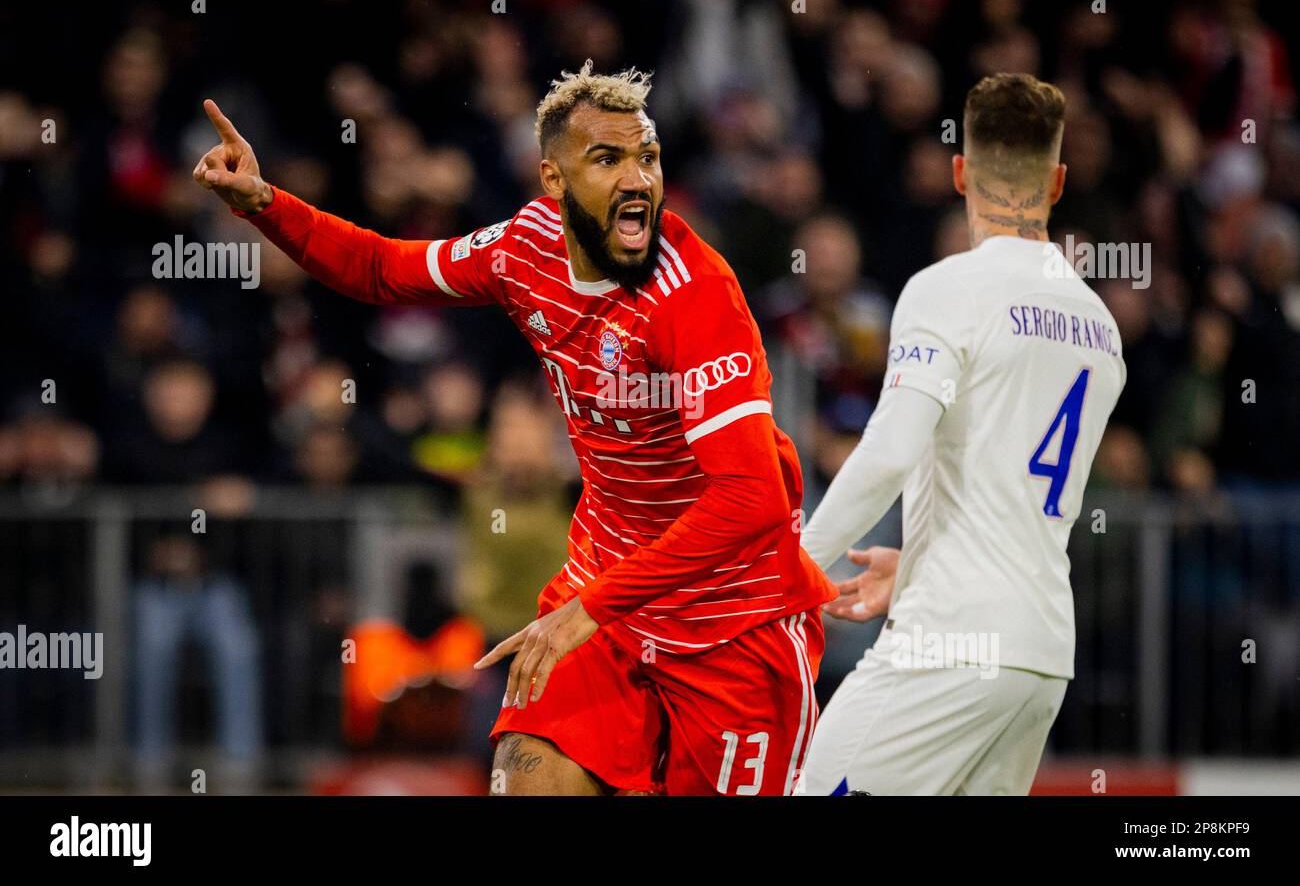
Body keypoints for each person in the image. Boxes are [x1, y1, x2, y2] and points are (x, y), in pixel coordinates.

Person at [191, 61, 835, 796]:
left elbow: (749, 500)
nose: (637, 178)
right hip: (605, 603)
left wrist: (588, 609)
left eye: (647, 156)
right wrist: (265, 203)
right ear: (554, 181)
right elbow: (381, 267)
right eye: (608, 158)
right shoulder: (525, 248)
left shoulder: (695, 296)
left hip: (731, 620)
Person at [797, 73, 1127, 795]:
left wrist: (789, 570)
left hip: (946, 643)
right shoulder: (1100, 327)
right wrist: (915, 559)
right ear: (1060, 181)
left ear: (959, 171)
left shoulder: (947, 289)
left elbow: (889, 450)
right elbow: (1010, 485)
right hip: (1039, 657)